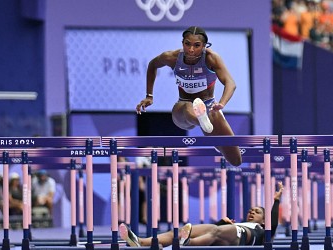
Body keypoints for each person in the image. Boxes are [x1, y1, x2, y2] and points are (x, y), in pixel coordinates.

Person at [135, 26, 242, 167]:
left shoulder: (211, 58)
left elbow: (230, 83)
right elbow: (152, 65)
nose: (191, 49)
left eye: (197, 45)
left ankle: (209, 129)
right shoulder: (172, 57)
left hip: (210, 106)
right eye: (187, 44)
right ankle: (205, 124)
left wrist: (221, 103)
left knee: (236, 160)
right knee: (188, 107)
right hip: (182, 108)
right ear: (182, 43)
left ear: (204, 46)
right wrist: (149, 95)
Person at [119, 182, 284, 247]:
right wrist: (222, 222)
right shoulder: (239, 223)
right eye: (250, 210)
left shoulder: (265, 231)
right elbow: (215, 233)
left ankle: (186, 243)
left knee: (215, 231)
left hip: (243, 237)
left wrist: (276, 201)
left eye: (257, 212)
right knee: (180, 231)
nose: (252, 212)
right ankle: (140, 241)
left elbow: (274, 221)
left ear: (264, 220)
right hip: (225, 235)